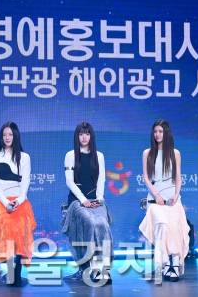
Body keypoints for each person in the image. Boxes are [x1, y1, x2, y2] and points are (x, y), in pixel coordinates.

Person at [0, 122, 36, 286]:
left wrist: (18, 201)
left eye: (10, 135)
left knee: (22, 225)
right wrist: (6, 203)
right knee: (6, 224)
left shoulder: (25, 157)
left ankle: (17, 271)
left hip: (19, 200)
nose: (7, 138)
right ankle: (9, 270)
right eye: (4, 135)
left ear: (15, 136)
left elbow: (25, 182)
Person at [138, 120, 190, 284]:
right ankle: (167, 262)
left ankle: (174, 263)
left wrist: (176, 195)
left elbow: (178, 177)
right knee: (162, 224)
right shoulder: (147, 153)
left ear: (166, 133)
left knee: (174, 226)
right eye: (155, 131)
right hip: (155, 200)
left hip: (172, 198)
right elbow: (146, 178)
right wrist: (156, 195)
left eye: (160, 131)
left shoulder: (175, 153)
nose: (157, 134)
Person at [62, 122, 113, 284]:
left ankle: (103, 268)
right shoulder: (70, 155)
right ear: (77, 136)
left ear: (91, 136)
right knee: (90, 222)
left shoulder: (99, 156)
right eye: (81, 134)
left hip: (95, 200)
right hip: (77, 202)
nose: (84, 137)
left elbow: (101, 178)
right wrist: (83, 200)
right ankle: (92, 267)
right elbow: (69, 182)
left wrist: (99, 198)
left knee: (102, 223)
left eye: (87, 134)